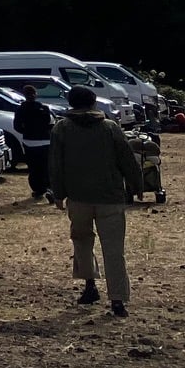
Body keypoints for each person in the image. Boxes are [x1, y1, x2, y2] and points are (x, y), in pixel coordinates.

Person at [50, 85, 144, 318]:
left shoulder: (62, 128)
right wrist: (137, 185)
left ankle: (90, 285)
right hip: (110, 197)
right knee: (114, 250)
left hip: (78, 197)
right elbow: (127, 159)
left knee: (82, 241)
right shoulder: (110, 127)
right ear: (94, 103)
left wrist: (59, 193)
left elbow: (55, 164)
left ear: (71, 104)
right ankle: (118, 300)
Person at [14, 83, 54, 200]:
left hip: (29, 141)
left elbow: (17, 126)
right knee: (46, 166)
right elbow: (51, 123)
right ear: (35, 94)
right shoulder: (44, 108)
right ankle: (50, 188)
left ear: (24, 95)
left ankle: (38, 189)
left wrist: (26, 131)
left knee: (33, 167)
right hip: (45, 141)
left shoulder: (21, 109)